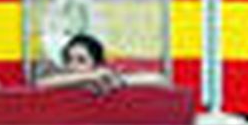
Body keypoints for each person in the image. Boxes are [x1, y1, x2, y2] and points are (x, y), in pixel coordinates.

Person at [36, 33, 166, 94]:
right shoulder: (61, 78)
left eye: (81, 60)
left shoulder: (105, 78)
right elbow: (41, 83)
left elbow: (159, 79)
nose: (73, 65)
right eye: (69, 59)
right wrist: (90, 76)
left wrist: (121, 82)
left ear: (96, 64)